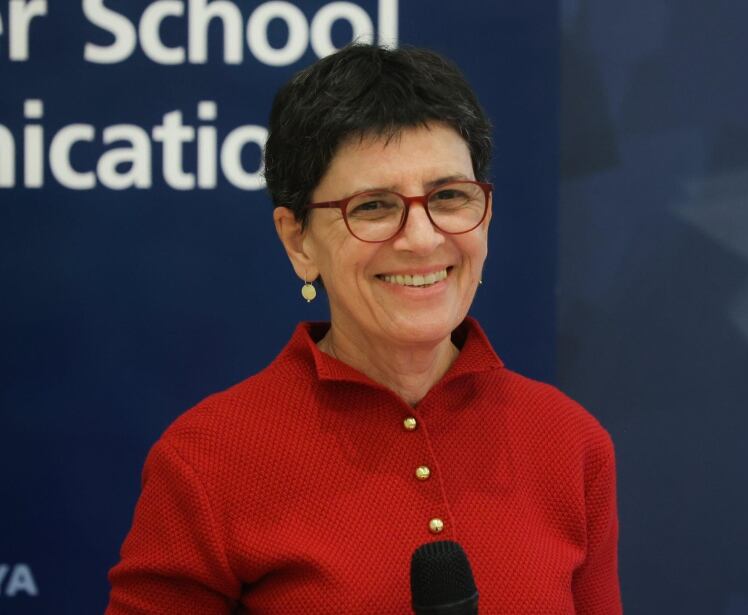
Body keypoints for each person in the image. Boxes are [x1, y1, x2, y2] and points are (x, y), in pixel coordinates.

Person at [106, 44, 621, 614]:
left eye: (449, 196)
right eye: (374, 206)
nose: (422, 239)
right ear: (298, 240)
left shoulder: (570, 443)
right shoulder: (208, 460)